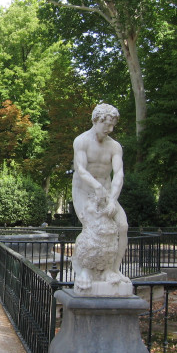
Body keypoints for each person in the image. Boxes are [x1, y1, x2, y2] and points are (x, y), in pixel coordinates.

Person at [71, 103, 129, 291]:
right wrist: (96, 187)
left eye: (113, 125)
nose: (110, 129)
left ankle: (113, 270)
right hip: (83, 191)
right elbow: (80, 169)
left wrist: (112, 199)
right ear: (97, 120)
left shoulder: (115, 146)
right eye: (107, 125)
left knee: (122, 226)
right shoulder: (81, 141)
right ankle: (86, 270)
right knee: (93, 227)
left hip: (106, 193)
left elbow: (118, 174)